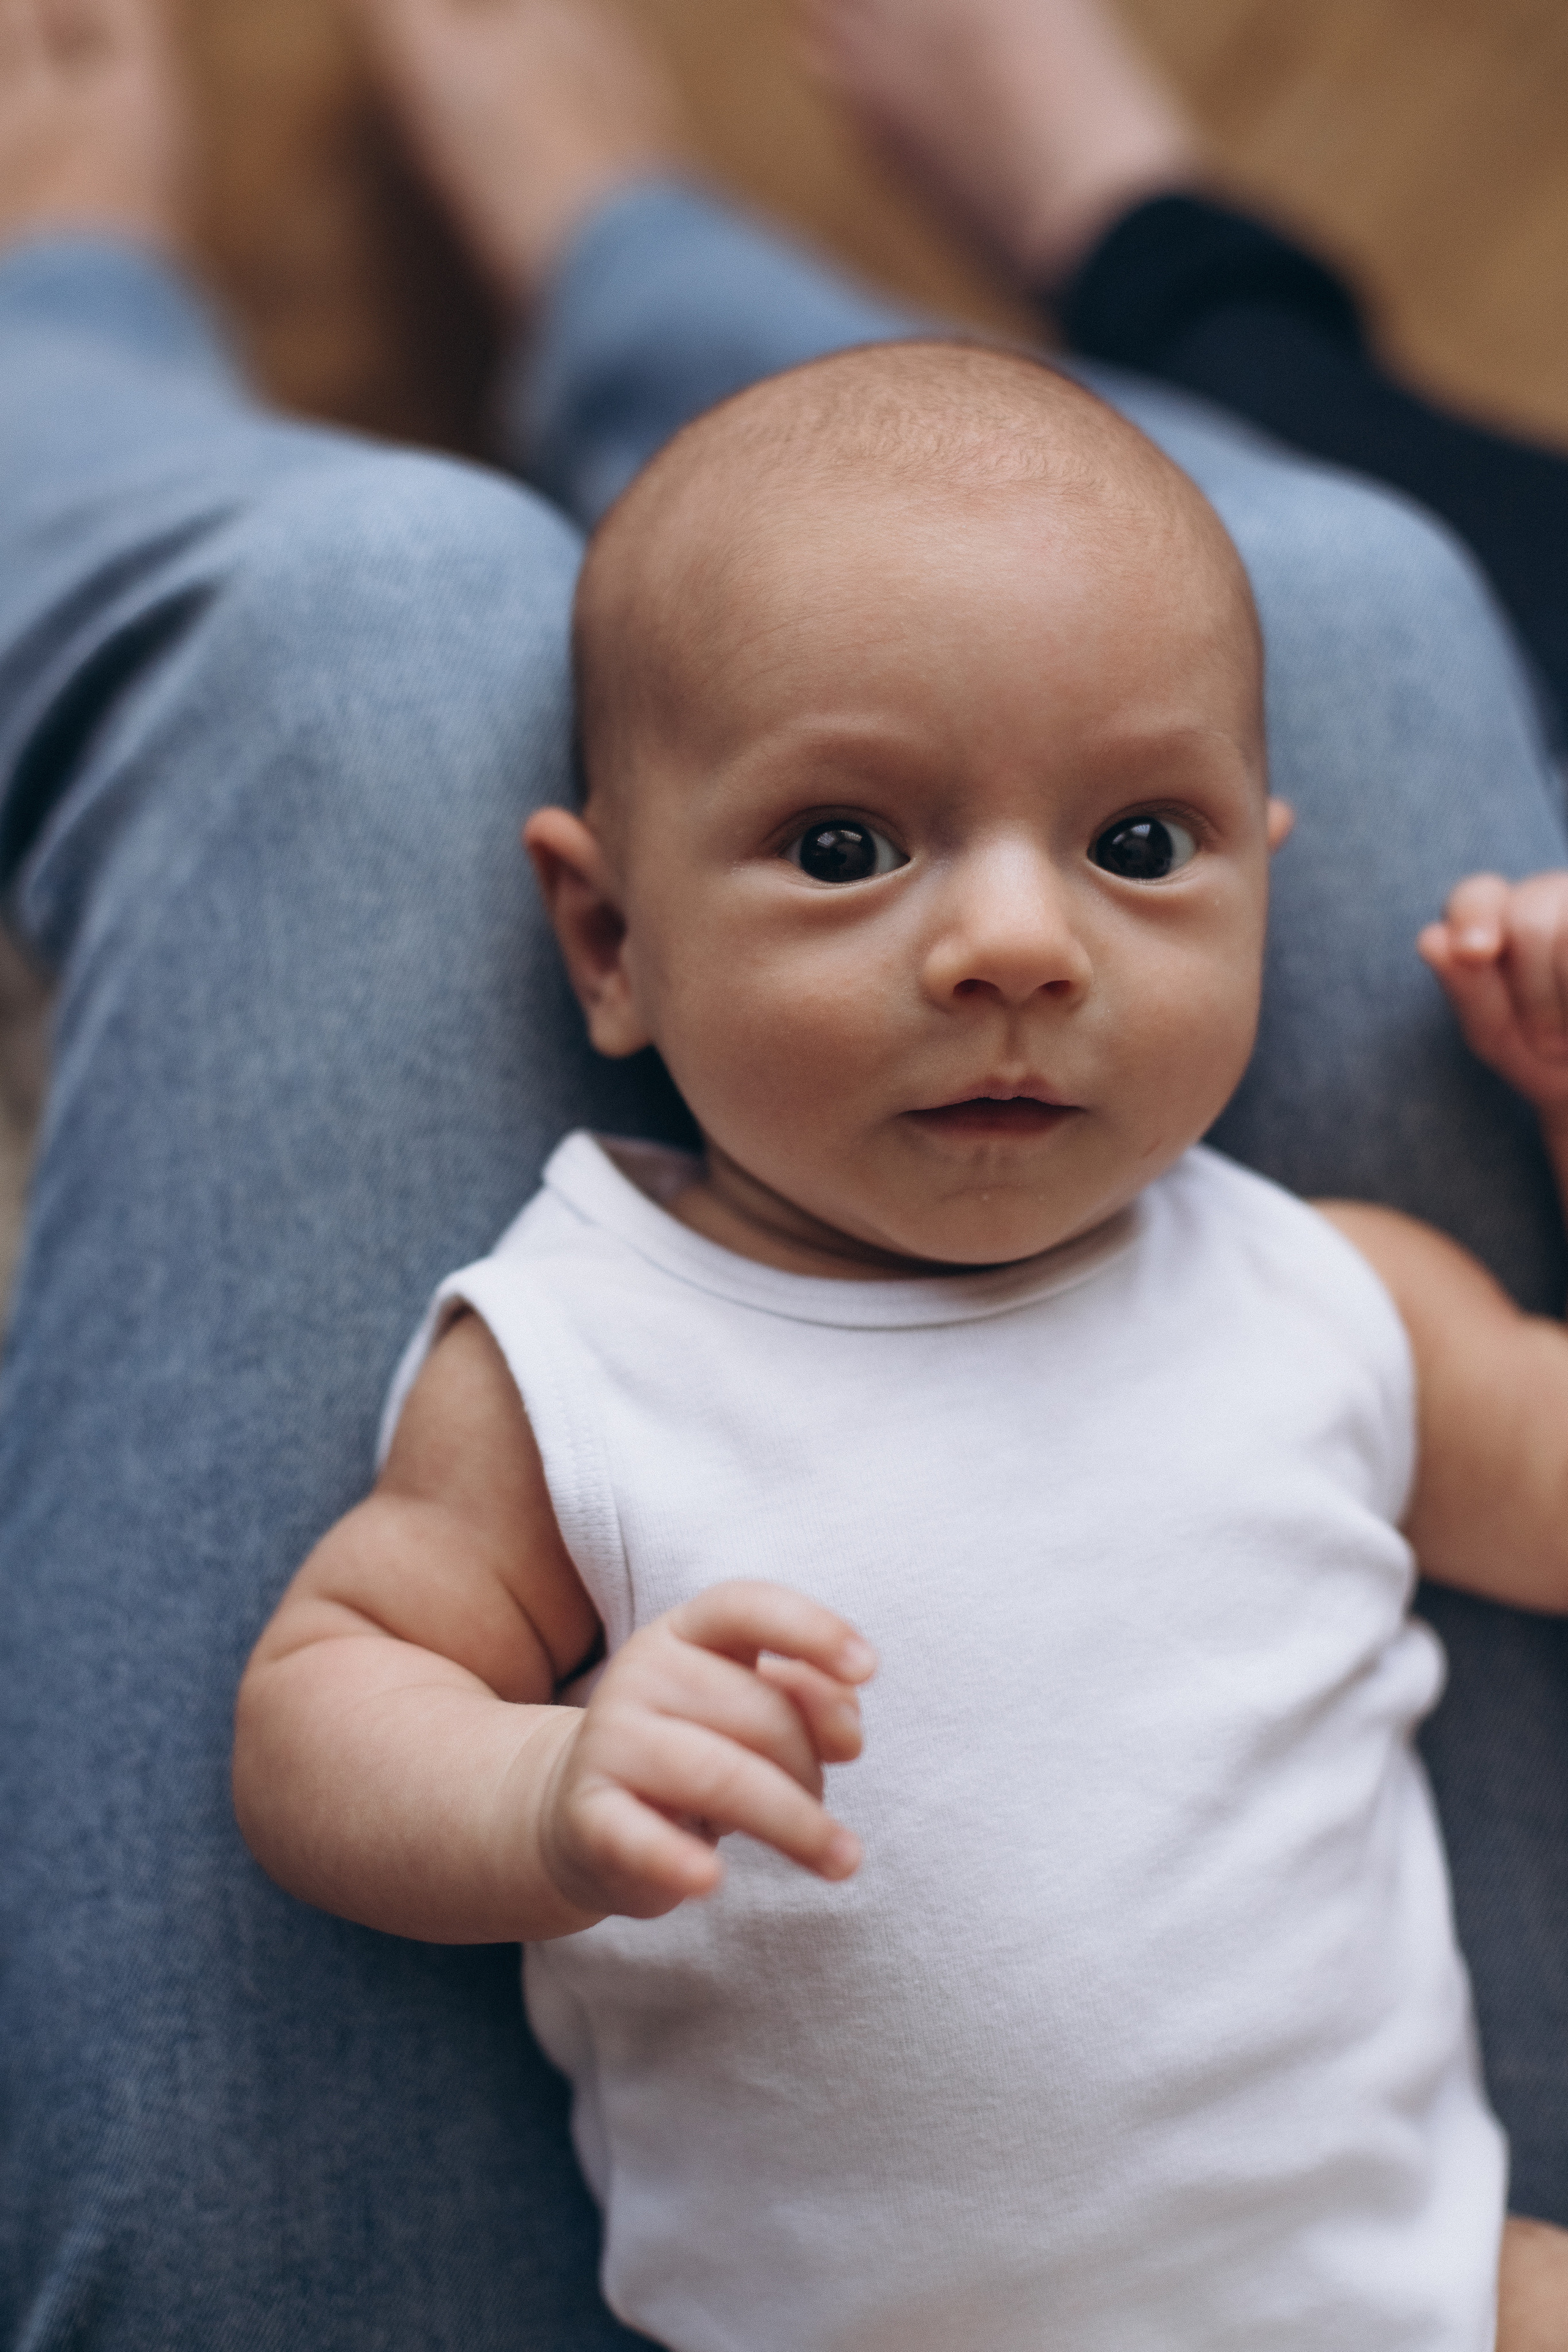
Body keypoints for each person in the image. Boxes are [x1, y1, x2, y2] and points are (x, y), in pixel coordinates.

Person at [1, 0, 1566, 2340]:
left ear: (1273, 877)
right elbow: (325, 1707)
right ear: (606, 943)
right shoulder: (589, 1350)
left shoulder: (1339, 1294)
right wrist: (540, 1792)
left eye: (1141, 846)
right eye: (848, 848)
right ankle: (569, 268)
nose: (1022, 947)